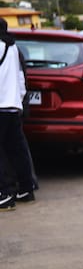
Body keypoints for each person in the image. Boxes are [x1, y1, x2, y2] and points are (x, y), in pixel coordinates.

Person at [0, 18, 37, 211]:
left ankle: (4, 193)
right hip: (13, 106)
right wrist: (19, 99)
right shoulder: (13, 48)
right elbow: (21, 77)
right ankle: (26, 188)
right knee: (17, 149)